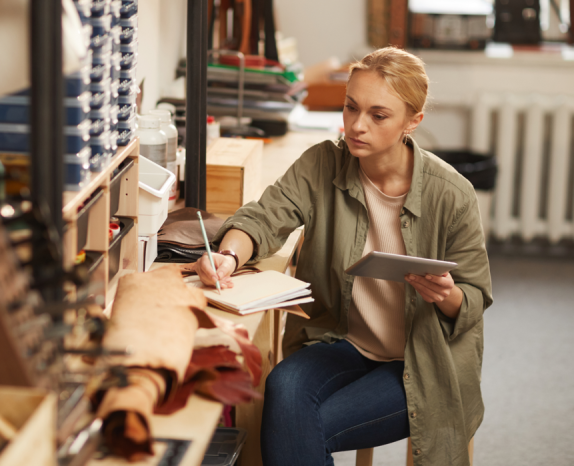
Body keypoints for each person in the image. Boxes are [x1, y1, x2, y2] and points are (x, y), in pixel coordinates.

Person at [194, 47, 493, 466]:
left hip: (420, 361)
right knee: (284, 385)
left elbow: (475, 298)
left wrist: (445, 295)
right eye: (350, 108)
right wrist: (228, 254)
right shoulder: (322, 163)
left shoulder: (453, 194)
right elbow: (265, 217)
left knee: (295, 425)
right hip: (341, 341)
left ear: (413, 121)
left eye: (378, 115)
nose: (356, 125)